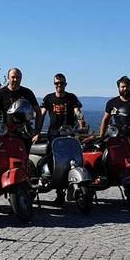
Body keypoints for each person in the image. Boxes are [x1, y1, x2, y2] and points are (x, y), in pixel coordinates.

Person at [41, 73, 84, 206]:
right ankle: (59, 192)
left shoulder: (71, 98)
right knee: (55, 161)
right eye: (57, 83)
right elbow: (42, 114)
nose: (59, 85)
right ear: (54, 84)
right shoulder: (48, 98)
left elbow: (77, 111)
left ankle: (77, 182)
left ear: (65, 84)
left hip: (69, 134)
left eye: (62, 83)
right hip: (54, 135)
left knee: (74, 159)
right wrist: (36, 129)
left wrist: (81, 120)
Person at [0, 68, 43, 148]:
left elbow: (38, 112)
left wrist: (37, 130)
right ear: (8, 78)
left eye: (18, 77)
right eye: (13, 77)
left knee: (24, 157)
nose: (15, 79)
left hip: (25, 133)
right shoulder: (1, 93)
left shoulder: (27, 93)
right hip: (6, 132)